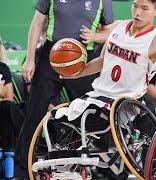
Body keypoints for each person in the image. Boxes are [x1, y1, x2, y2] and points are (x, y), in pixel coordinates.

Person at [54, 0, 156, 178]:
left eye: (144, 8)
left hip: (126, 103)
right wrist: (76, 74)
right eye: (135, 5)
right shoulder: (118, 27)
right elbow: (101, 61)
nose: (138, 12)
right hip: (98, 96)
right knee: (59, 117)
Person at [15, 0, 114, 178]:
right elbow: (37, 22)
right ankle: (23, 170)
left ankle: (105, 169)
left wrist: (96, 37)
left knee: (93, 113)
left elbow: (110, 31)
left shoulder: (103, 1)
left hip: (83, 59)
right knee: (34, 114)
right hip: (52, 56)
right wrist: (30, 59)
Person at [0, 37, 24, 179]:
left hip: (3, 109)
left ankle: (10, 154)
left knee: (9, 107)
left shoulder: (3, 68)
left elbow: (8, 96)